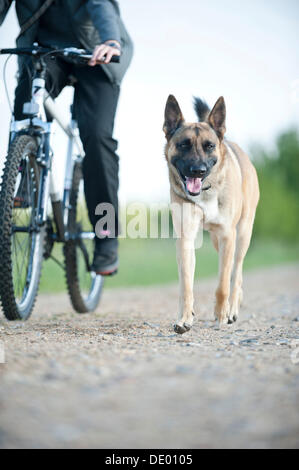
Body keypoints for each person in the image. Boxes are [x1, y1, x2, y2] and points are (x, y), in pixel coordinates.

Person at [0, 0, 133, 275]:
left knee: (96, 138)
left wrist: (110, 39)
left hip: (98, 53)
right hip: (45, 53)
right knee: (28, 104)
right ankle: (26, 175)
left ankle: (106, 237)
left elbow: (100, 5)